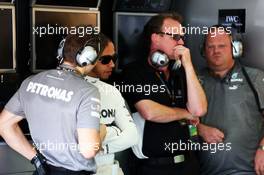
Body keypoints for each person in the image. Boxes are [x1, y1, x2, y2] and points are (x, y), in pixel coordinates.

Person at [0, 33, 103, 175]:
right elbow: (89, 150)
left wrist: (35, 159)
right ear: (88, 57)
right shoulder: (87, 91)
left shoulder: (30, 82)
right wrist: (103, 131)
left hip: (43, 170)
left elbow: (3, 125)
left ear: (61, 51)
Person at [120, 12, 207, 175]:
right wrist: (186, 114)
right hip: (154, 166)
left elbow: (199, 110)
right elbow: (150, 112)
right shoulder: (134, 71)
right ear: (156, 38)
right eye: (175, 37)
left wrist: (188, 66)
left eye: (182, 37)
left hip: (188, 163)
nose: (181, 42)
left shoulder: (180, 70)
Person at [197, 25, 264, 175]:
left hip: (249, 170)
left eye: (222, 46)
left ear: (235, 48)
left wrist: (263, 148)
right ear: (203, 50)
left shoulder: (255, 77)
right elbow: (179, 122)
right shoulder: (194, 80)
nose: (216, 51)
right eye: (211, 47)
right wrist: (199, 130)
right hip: (207, 171)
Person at [83, 33, 138, 175]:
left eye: (114, 58)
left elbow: (132, 136)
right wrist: (114, 131)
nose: (112, 64)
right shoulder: (68, 89)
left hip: (108, 168)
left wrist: (102, 146)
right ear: (87, 58)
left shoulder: (111, 92)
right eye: (106, 60)